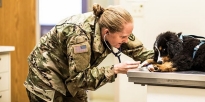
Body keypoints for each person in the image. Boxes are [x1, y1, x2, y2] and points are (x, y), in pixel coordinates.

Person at [24, 3, 154, 102]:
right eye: (123, 37)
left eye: (128, 35)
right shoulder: (80, 37)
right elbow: (81, 79)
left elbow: (140, 52)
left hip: (71, 76)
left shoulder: (118, 30)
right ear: (106, 32)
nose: (126, 40)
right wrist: (115, 69)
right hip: (46, 77)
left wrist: (166, 58)